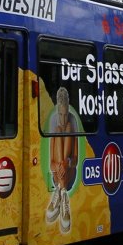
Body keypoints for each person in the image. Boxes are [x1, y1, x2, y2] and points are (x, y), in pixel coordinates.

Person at [46, 87, 78, 233]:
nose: (63, 119)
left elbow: (75, 160)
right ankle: (63, 193)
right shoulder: (54, 121)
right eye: (60, 114)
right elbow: (51, 164)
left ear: (68, 110)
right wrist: (60, 166)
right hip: (58, 174)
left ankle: (59, 192)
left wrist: (66, 163)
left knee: (69, 128)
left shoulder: (72, 121)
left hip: (70, 172)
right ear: (57, 110)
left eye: (65, 114)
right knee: (58, 130)